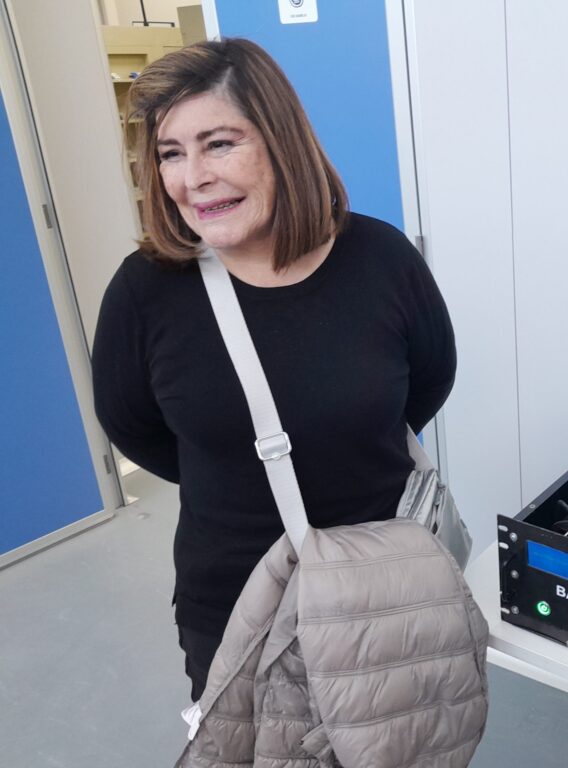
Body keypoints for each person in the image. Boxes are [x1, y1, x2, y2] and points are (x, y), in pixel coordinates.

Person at [91, 38, 456, 703]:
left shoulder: (380, 258)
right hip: (236, 607)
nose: (193, 177)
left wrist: (332, 429)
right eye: (171, 153)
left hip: (390, 583)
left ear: (281, 142)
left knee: (404, 733)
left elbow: (429, 379)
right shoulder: (146, 291)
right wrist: (236, 460)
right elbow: (135, 428)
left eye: (219, 144)